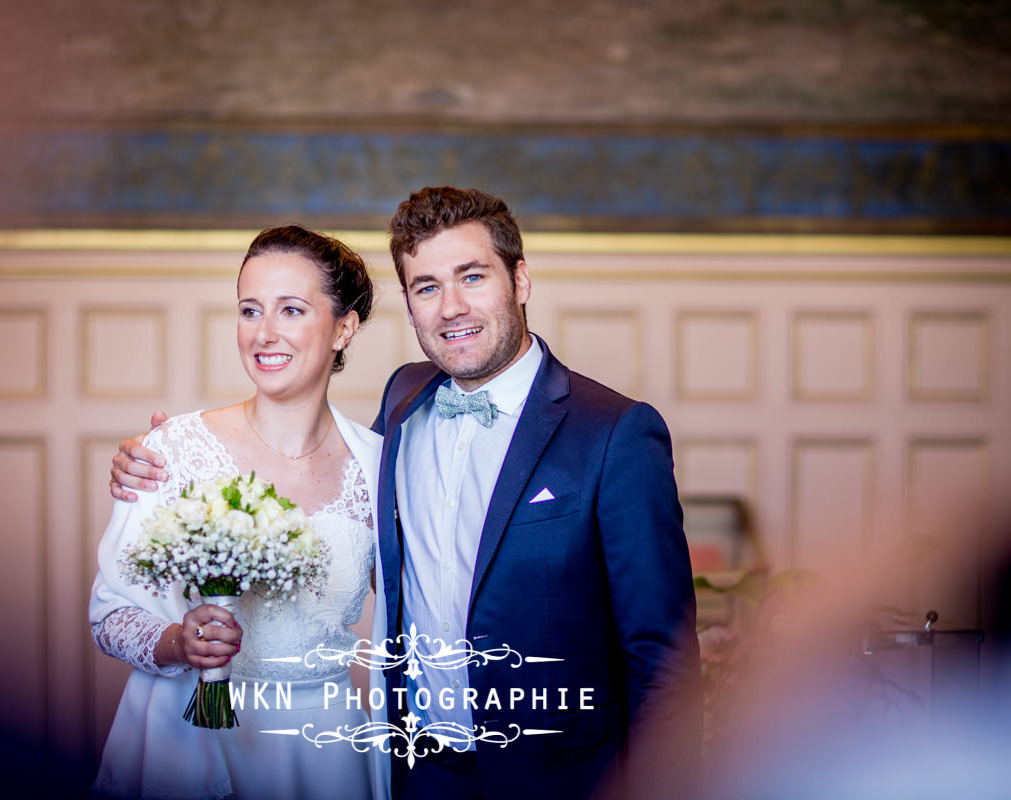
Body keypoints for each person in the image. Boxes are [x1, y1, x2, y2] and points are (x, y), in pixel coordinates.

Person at [113, 188, 701, 799]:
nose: (451, 307)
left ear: (520, 280)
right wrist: (159, 469)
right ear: (409, 304)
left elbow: (665, 664)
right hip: (411, 773)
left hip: (556, 780)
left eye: (472, 277)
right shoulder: (402, 404)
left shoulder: (615, 432)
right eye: (426, 287)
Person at [90, 225, 387, 800]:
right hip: (191, 739)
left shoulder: (380, 465)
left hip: (324, 747)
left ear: (343, 328)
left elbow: (416, 602)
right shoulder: (172, 449)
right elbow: (109, 616)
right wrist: (179, 642)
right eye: (250, 310)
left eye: (291, 310)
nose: (264, 332)